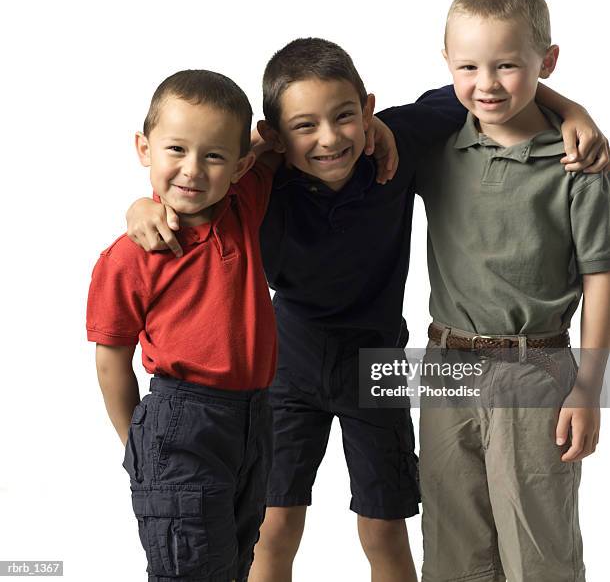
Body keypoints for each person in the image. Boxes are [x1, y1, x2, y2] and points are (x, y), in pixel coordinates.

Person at [125, 38, 608, 582]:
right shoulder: (259, 180)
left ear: (369, 110)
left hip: (377, 361)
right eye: (305, 126)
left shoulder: (397, 142)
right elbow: (195, 184)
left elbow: (488, 89)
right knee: (275, 527)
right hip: (287, 362)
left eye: (344, 118)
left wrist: (573, 109)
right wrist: (142, 205)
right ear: (276, 138)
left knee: (384, 528)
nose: (329, 139)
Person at [415, 0, 610, 582]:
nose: (487, 83)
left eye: (508, 66)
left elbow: (600, 276)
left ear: (546, 63)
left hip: (538, 369)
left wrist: (588, 386)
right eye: (469, 66)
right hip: (446, 364)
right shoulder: (435, 146)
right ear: (446, 61)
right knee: (451, 549)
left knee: (539, 551)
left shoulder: (577, 164)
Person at [87, 69, 278, 581]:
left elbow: (274, 137)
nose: (192, 170)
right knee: (189, 568)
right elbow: (111, 361)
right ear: (143, 148)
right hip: (180, 422)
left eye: (214, 156)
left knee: (235, 563)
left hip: (254, 420)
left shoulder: (242, 207)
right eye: (176, 150)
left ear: (240, 167)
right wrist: (139, 449)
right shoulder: (130, 256)